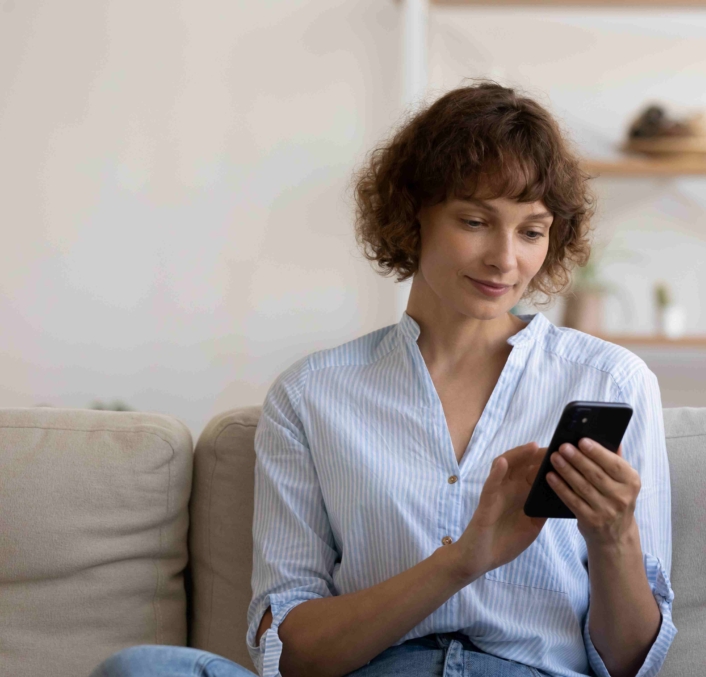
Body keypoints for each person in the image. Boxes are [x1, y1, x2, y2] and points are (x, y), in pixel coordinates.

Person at [90, 81, 675, 677]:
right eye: (475, 221)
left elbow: (632, 665)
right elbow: (290, 655)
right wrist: (458, 564)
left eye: (531, 231)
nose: (506, 259)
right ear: (411, 216)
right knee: (141, 668)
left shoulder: (611, 381)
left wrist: (614, 537)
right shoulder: (313, 395)